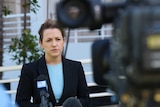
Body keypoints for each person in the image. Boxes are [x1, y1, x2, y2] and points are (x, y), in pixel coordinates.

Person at [15, 19, 89, 107]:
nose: (54, 44)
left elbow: (86, 99)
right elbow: (21, 102)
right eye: (49, 40)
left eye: (58, 39)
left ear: (63, 41)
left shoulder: (76, 67)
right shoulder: (30, 69)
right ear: (41, 43)